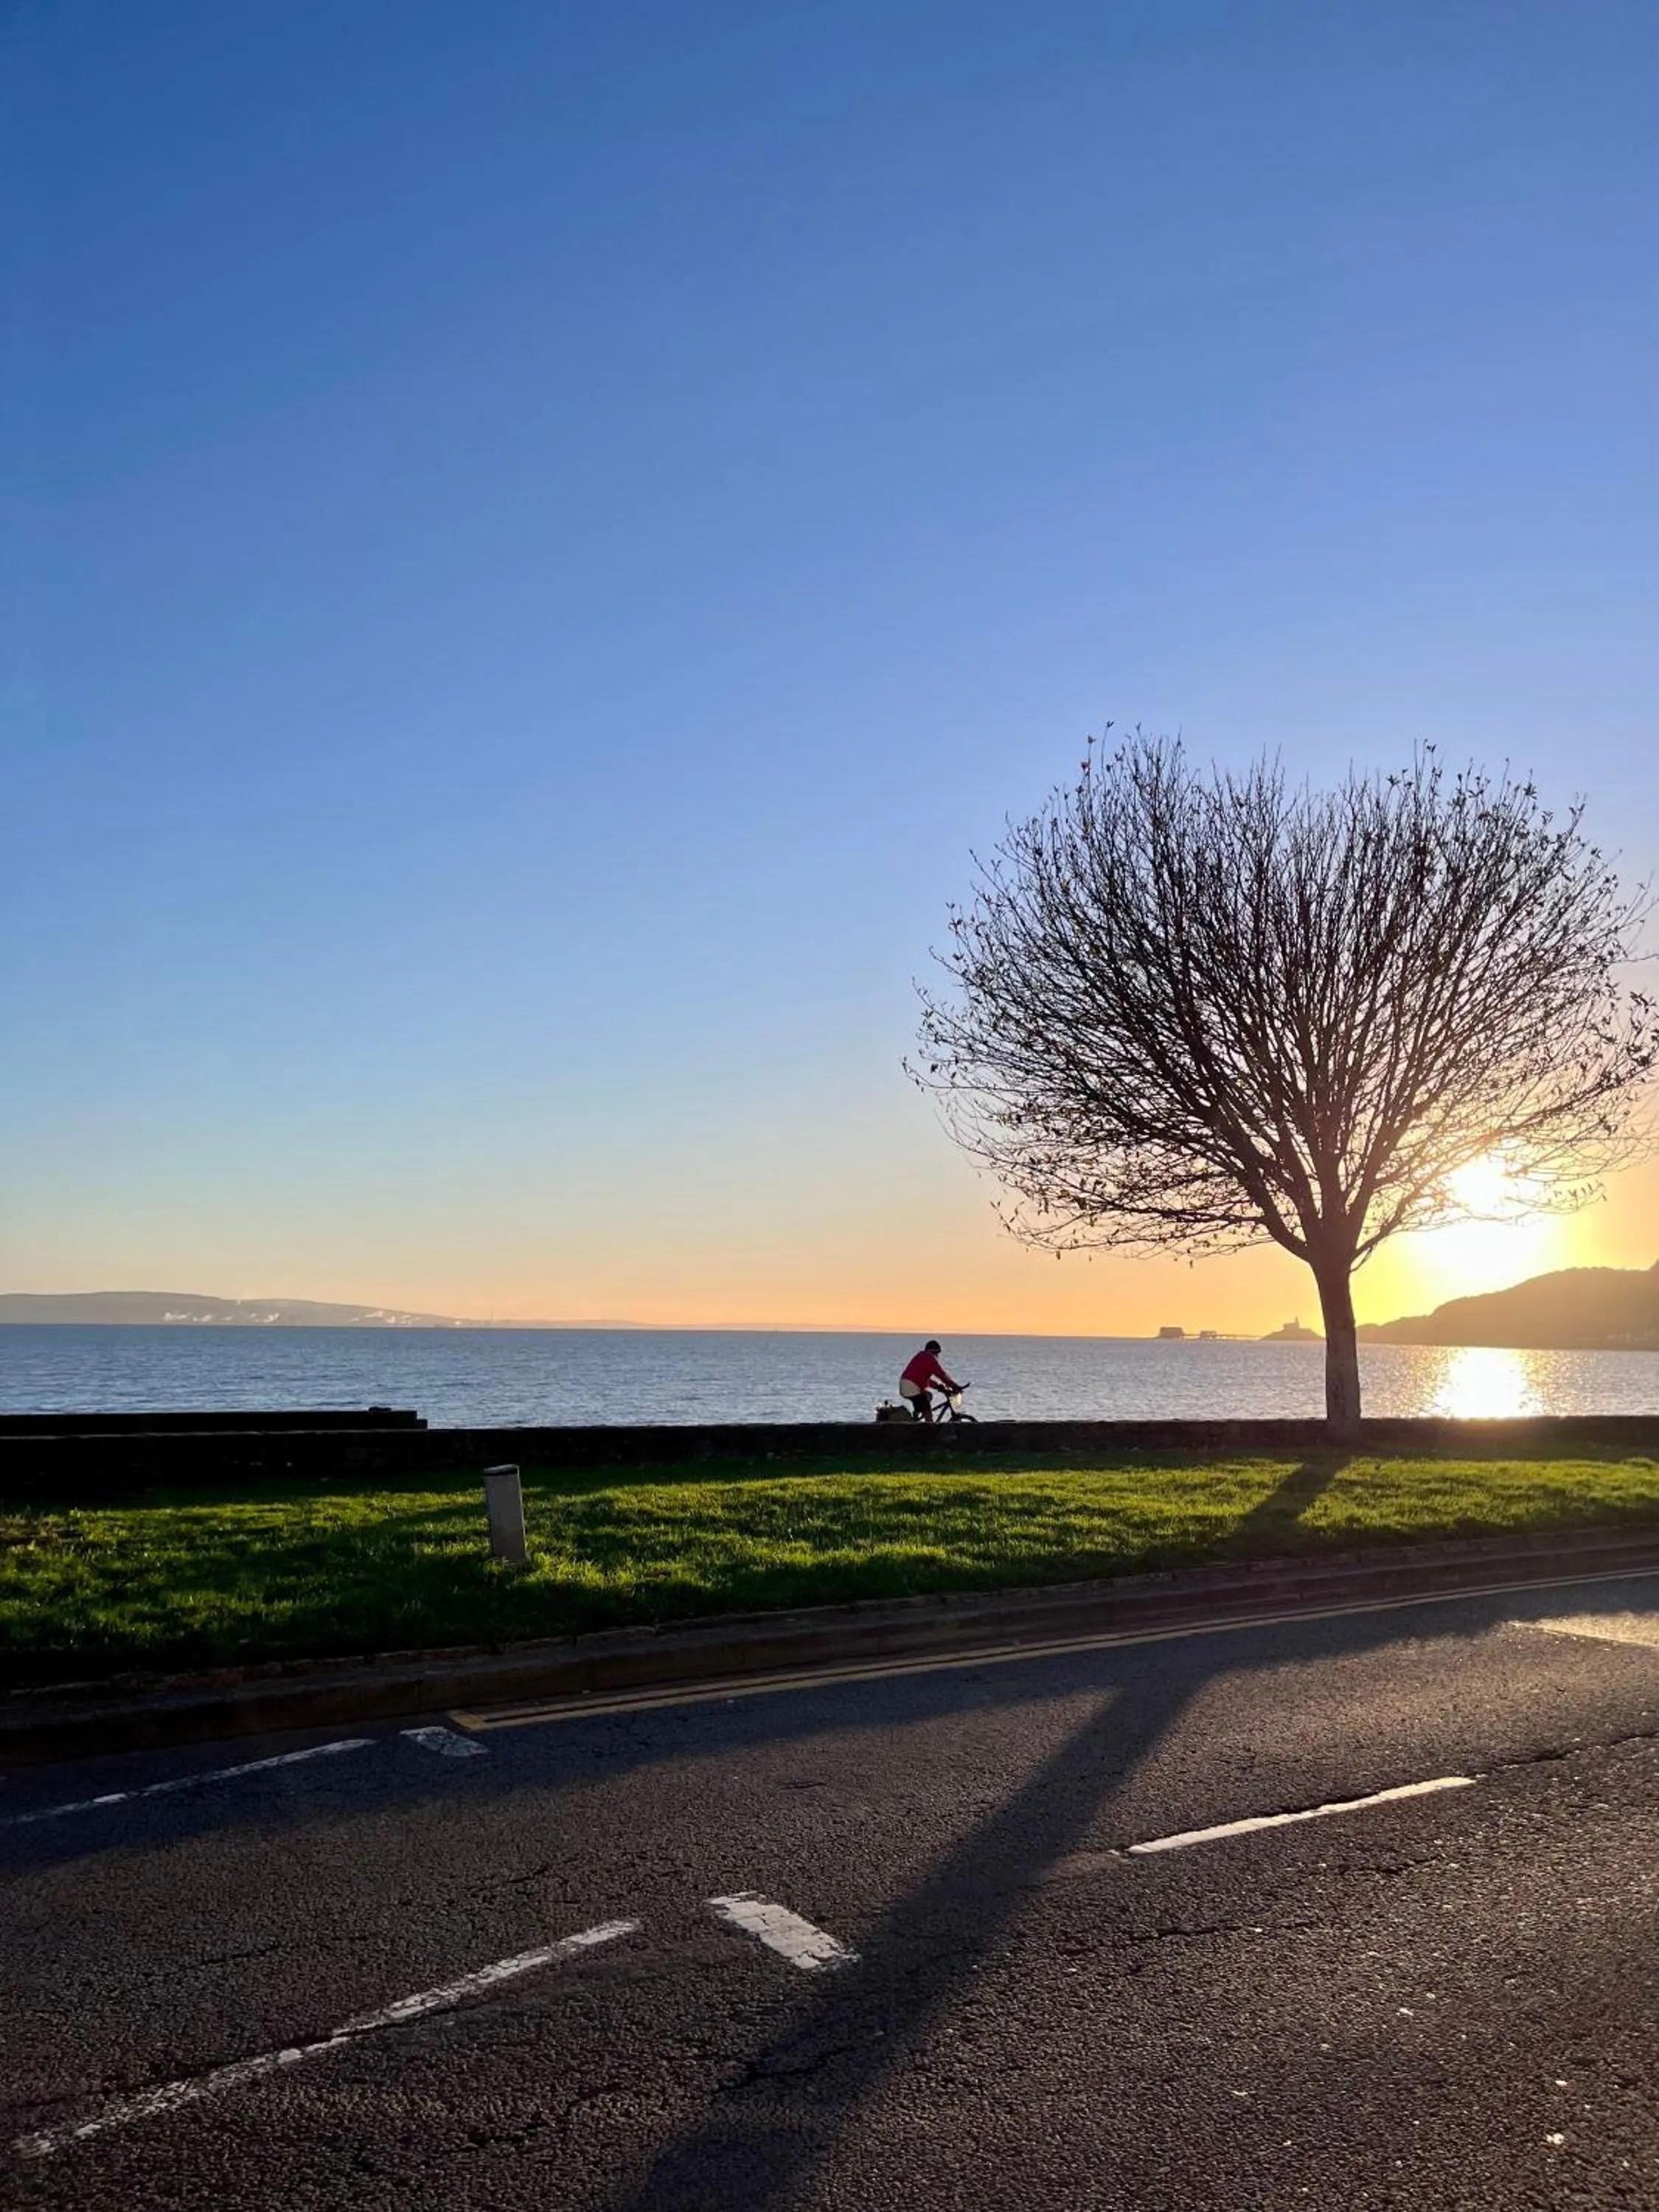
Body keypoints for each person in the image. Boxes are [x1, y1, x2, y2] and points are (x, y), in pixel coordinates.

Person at [898, 1339, 961, 1423]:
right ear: (934, 1352)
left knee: (928, 1396)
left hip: (906, 1385)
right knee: (928, 1414)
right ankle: (929, 1429)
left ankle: (916, 1417)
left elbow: (924, 1379)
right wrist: (955, 1386)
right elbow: (941, 1374)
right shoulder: (929, 1358)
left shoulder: (921, 1356)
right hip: (912, 1387)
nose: (937, 1356)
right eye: (937, 1353)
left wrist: (938, 1386)